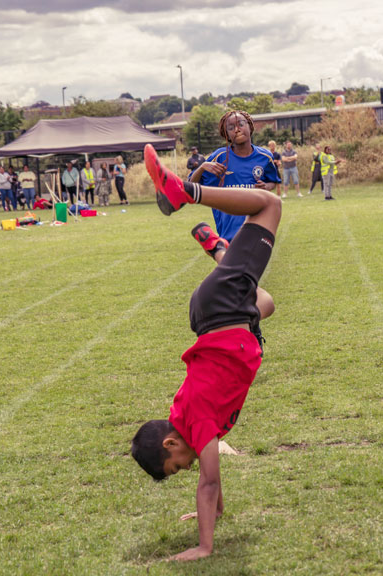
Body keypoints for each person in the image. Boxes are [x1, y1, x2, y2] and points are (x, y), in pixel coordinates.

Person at [133, 143, 281, 563]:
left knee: (269, 205)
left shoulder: (194, 423)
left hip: (222, 311)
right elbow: (212, 490)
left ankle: (186, 193)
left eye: (176, 465)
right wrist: (213, 514)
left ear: (170, 441)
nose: (187, 467)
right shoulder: (188, 420)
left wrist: (204, 545)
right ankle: (217, 248)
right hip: (221, 317)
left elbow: (210, 483)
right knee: (266, 303)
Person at [188, 110, 281, 243]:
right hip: (228, 231)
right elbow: (191, 185)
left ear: (250, 126)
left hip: (257, 226)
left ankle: (214, 249)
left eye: (241, 124)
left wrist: (266, 186)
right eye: (231, 128)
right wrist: (202, 168)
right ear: (227, 135)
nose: (237, 130)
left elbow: (273, 180)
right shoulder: (219, 157)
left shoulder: (265, 157)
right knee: (234, 262)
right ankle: (216, 249)